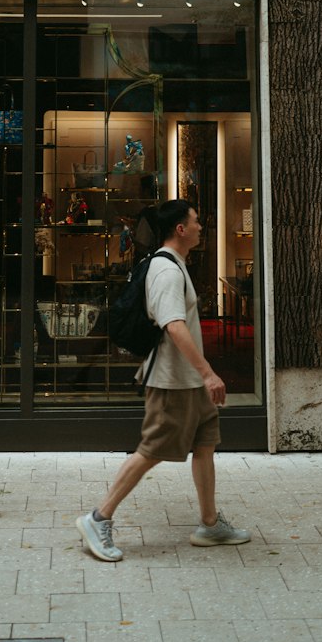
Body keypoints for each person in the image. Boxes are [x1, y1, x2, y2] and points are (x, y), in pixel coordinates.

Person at [76, 199, 251, 561]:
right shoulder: (167, 271)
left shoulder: (174, 264)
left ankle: (210, 523)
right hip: (174, 381)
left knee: (204, 446)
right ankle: (98, 517)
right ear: (180, 229)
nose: (202, 226)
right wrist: (208, 372)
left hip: (189, 383)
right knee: (151, 451)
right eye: (197, 221)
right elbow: (172, 325)